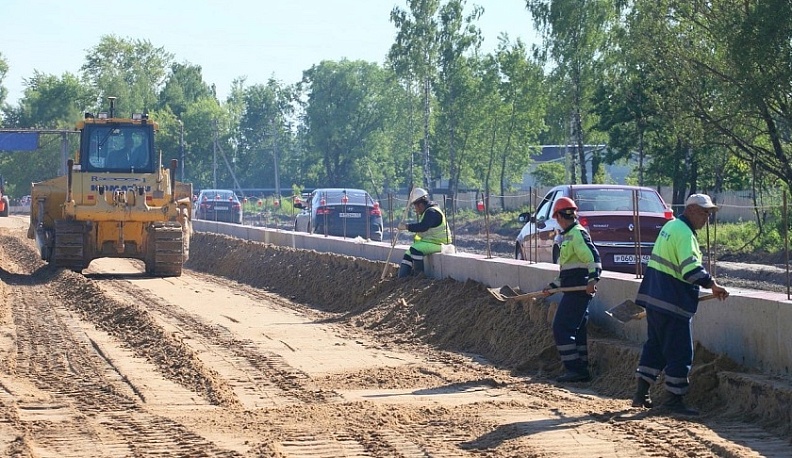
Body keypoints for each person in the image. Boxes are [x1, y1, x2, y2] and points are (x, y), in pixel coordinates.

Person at [631, 193, 729, 416]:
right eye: (704, 213)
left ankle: (640, 393)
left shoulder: (671, 227)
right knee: (680, 351)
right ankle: (674, 400)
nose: (707, 218)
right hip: (672, 303)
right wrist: (712, 284)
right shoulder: (685, 234)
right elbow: (690, 269)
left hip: (655, 300)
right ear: (692, 210)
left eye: (709, 214)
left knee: (655, 346)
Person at [541, 197, 602, 383]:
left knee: (561, 327)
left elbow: (593, 257)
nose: (557, 220)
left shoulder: (577, 234)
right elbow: (568, 270)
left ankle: (575, 369)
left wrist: (593, 278)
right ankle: (581, 366)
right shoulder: (569, 235)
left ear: (559, 215)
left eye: (556, 217)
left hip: (579, 290)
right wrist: (553, 287)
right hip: (573, 288)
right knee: (578, 328)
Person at [397, 188, 452, 278]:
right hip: (431, 242)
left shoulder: (432, 212)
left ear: (421, 205)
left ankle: (419, 277)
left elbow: (423, 226)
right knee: (408, 253)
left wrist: (406, 227)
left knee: (415, 249)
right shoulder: (428, 212)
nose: (416, 210)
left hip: (439, 243)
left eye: (415, 207)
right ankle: (402, 278)